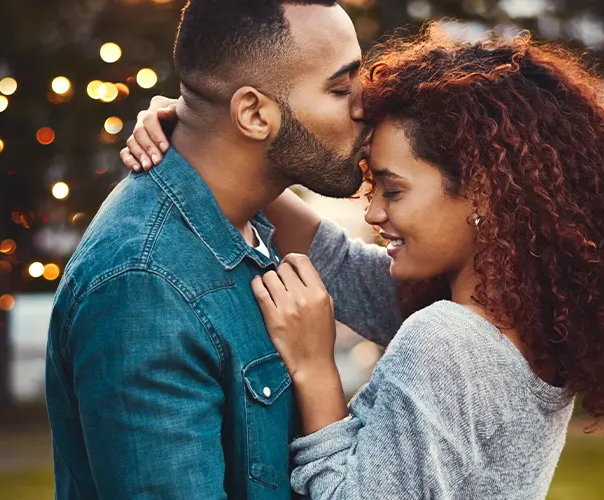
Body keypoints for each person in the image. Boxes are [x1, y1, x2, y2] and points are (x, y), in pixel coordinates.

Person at [124, 24, 604, 498]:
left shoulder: (450, 345)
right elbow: (332, 257)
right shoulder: (518, 324)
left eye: (393, 190)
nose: (374, 214)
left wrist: (316, 370)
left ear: (484, 192)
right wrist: (211, 131)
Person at [45, 0, 372, 498]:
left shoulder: (246, 218)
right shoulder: (144, 286)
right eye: (341, 88)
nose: (363, 108)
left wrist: (196, 119)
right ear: (253, 114)